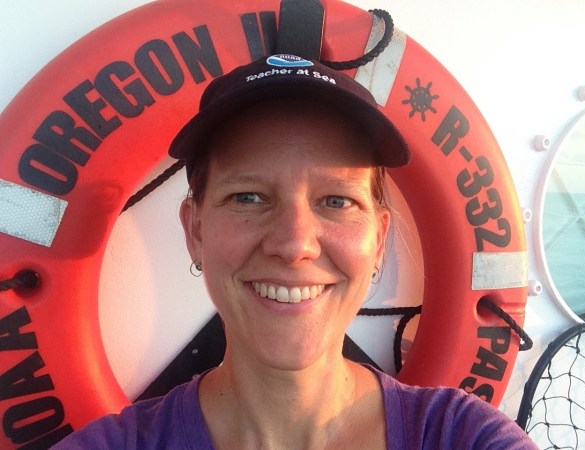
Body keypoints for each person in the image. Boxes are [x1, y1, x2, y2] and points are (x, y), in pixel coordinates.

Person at [51, 54, 537, 449]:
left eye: (336, 200)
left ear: (379, 241)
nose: (294, 243)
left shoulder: (464, 437)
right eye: (248, 197)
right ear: (195, 230)